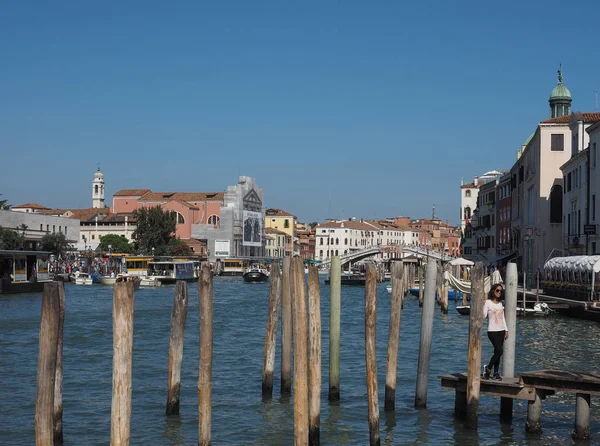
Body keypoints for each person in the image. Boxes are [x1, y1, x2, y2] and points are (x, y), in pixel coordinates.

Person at [483, 283, 508, 380]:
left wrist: (506, 330)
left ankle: (496, 372)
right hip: (492, 331)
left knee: (497, 352)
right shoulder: (488, 302)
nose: (499, 292)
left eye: (501, 291)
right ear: (493, 291)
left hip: (501, 330)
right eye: (497, 290)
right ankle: (488, 368)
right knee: (499, 351)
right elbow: (483, 316)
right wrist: (482, 305)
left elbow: (503, 318)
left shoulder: (501, 303)